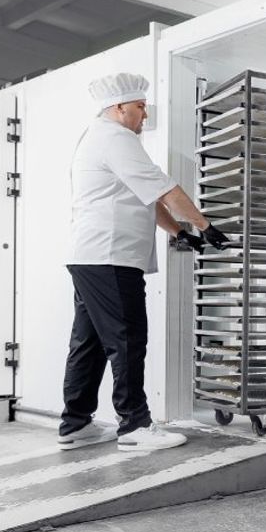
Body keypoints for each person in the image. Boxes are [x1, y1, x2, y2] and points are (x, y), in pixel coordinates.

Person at [58, 72, 228, 451]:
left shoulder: (99, 137)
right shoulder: (116, 138)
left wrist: (179, 233)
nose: (144, 116)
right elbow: (164, 188)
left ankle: (75, 425)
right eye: (139, 108)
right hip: (110, 257)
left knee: (88, 342)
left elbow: (144, 197)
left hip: (92, 257)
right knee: (128, 339)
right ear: (119, 109)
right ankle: (135, 426)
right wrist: (205, 225)